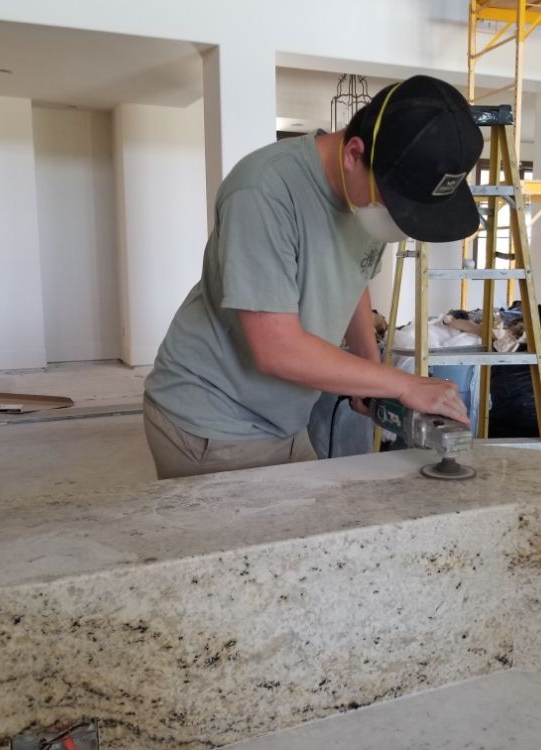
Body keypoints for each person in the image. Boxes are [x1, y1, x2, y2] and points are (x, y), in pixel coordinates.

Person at [144, 74, 484, 479]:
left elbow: (354, 278)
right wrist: (399, 383)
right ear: (354, 154)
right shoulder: (263, 191)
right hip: (214, 420)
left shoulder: (364, 194)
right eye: (395, 205)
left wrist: (368, 371)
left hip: (285, 417)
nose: (398, 219)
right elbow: (277, 349)